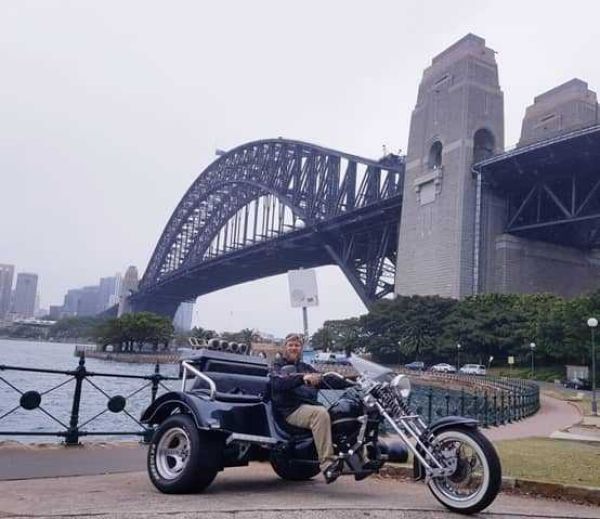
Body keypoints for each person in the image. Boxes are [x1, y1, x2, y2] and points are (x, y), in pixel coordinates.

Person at [270, 333, 350, 483]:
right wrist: (301, 378)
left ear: (301, 348)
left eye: (297, 345)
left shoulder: (306, 367)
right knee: (320, 414)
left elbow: (324, 379)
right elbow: (278, 382)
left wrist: (349, 382)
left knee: (340, 413)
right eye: (291, 345)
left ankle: (359, 458)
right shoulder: (278, 366)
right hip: (290, 410)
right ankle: (327, 464)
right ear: (285, 347)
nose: (294, 348)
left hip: (308, 407)